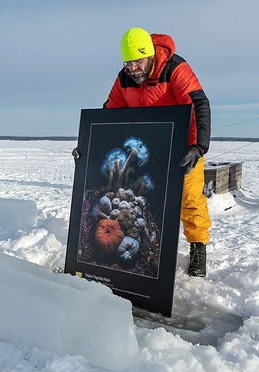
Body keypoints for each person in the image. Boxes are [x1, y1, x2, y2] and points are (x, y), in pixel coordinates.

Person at [73, 27, 212, 277]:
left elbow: (198, 105)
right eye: (128, 62)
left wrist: (197, 148)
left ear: (149, 56)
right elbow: (109, 113)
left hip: (182, 146)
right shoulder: (124, 77)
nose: (132, 68)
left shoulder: (175, 68)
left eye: (137, 61)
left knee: (190, 198)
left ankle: (198, 246)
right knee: (146, 198)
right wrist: (88, 145)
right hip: (147, 148)